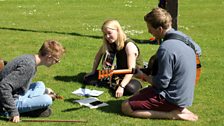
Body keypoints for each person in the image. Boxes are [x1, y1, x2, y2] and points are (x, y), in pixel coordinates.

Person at [121, 7, 201, 121]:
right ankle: (180, 108)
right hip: (185, 95)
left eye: (150, 29)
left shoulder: (166, 49)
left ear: (159, 29)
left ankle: (172, 114)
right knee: (139, 94)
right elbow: (198, 50)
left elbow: (161, 83)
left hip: (171, 97)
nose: (149, 32)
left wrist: (143, 76)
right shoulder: (182, 37)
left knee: (126, 106)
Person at [0, 40, 65, 123]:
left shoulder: (30, 59)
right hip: (4, 103)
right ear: (49, 56)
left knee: (40, 84)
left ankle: (33, 105)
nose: (57, 62)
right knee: (47, 99)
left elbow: (18, 83)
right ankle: (25, 110)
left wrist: (45, 91)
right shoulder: (29, 66)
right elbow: (4, 86)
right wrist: (13, 112)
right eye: (56, 60)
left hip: (15, 93)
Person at [84, 19, 143, 98]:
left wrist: (121, 87)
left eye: (109, 33)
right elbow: (98, 55)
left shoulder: (129, 46)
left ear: (118, 30)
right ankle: (113, 83)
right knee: (88, 78)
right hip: (118, 73)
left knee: (130, 88)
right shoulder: (110, 43)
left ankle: (116, 84)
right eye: (105, 34)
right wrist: (93, 71)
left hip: (134, 76)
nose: (107, 36)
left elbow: (131, 71)